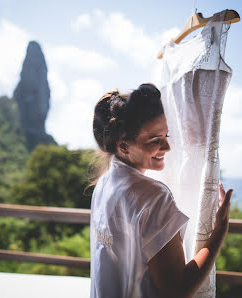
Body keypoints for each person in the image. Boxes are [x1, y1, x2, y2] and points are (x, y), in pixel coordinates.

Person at [89, 83, 233, 298]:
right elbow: (176, 291)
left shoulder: (104, 184)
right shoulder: (153, 197)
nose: (167, 148)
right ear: (124, 146)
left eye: (166, 135)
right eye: (155, 140)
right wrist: (219, 230)